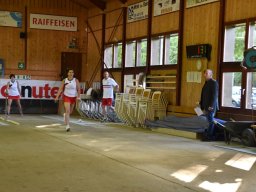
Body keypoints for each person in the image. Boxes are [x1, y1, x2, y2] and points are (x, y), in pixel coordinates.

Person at [199, 69, 219, 141]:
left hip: (210, 107)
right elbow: (203, 95)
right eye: (205, 73)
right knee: (208, 121)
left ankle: (209, 136)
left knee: (210, 121)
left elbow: (214, 96)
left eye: (207, 73)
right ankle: (207, 135)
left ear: (211, 74)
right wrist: (201, 104)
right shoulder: (206, 83)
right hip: (205, 106)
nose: (205, 74)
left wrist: (211, 106)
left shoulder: (214, 83)